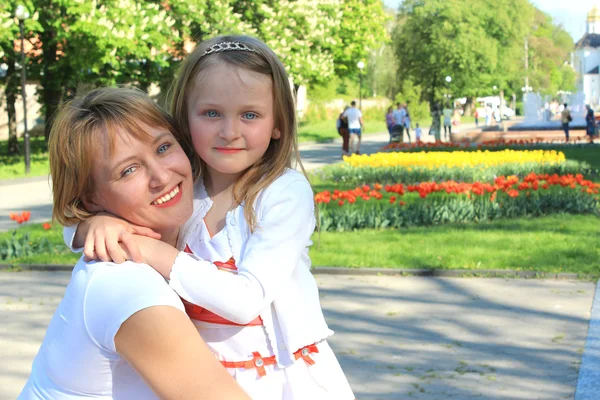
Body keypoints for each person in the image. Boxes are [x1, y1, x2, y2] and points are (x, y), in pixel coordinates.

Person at [66, 36, 355, 400]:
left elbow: (245, 301)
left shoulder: (283, 192)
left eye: (249, 115)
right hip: (207, 375)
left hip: (284, 377)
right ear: (185, 119)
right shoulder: (185, 186)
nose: (229, 131)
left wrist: (150, 251)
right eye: (211, 113)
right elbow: (80, 224)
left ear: (277, 124)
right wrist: (90, 226)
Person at [19, 87, 250, 399]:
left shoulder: (186, 238)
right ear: (90, 197)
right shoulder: (127, 285)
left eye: (163, 148)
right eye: (128, 170)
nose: (161, 176)